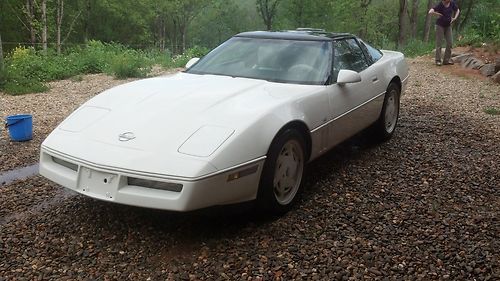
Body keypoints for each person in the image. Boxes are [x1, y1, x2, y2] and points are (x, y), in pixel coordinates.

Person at [428, 0, 460, 66]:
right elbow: (430, 12)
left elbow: (457, 10)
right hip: (439, 26)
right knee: (439, 43)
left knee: (450, 42)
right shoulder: (440, 5)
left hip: (448, 26)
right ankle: (438, 60)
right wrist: (437, 14)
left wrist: (455, 18)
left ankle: (446, 60)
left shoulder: (452, 3)